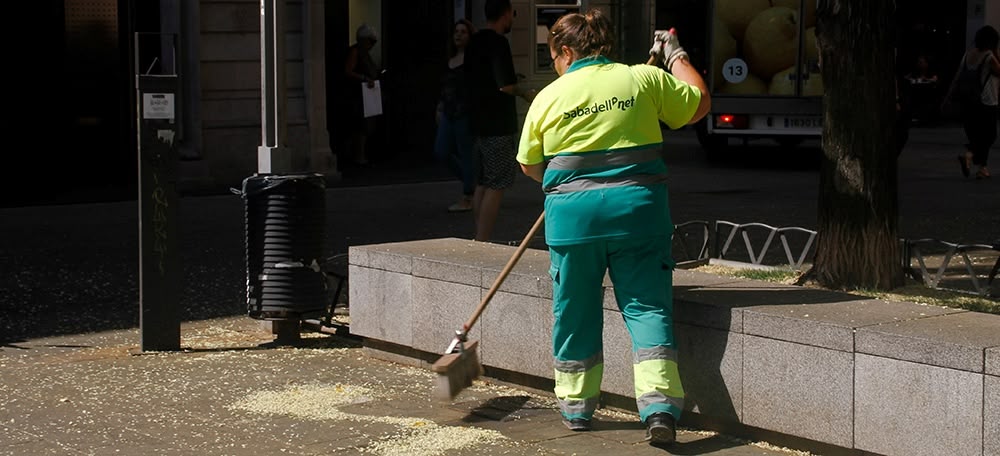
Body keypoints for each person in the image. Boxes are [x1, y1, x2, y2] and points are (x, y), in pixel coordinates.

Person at [515, 11, 709, 445]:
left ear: (566, 51)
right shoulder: (641, 78)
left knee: (575, 311)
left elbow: (530, 165)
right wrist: (675, 56)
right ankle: (659, 409)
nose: (555, 65)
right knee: (647, 308)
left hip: (572, 221)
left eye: (554, 56)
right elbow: (699, 103)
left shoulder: (548, 96)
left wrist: (572, 179)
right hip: (638, 215)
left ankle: (576, 408)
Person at [464, 0, 536, 241]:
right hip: (498, 123)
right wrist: (525, 93)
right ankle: (482, 238)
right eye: (512, 14)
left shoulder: (473, 41)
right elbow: (505, 85)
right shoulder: (498, 43)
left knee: (483, 182)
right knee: (497, 184)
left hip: (478, 121)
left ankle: (479, 234)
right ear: (506, 14)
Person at [434, 19, 478, 213]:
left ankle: (468, 195)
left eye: (463, 32)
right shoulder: (449, 60)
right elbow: (444, 87)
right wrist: (439, 107)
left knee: (466, 154)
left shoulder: (472, 60)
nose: (458, 35)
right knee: (441, 151)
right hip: (448, 112)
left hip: (464, 113)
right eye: (456, 32)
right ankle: (473, 182)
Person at [946, 25, 999, 180]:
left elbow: (957, 77)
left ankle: (983, 169)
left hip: (969, 103)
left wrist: (948, 97)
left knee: (978, 136)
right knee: (990, 135)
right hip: (987, 101)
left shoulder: (968, 54)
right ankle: (969, 155)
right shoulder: (989, 56)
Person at [343, 24, 381, 167]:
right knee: (359, 127)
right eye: (370, 41)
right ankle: (358, 155)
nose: (371, 45)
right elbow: (348, 71)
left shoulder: (364, 52)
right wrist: (365, 79)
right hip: (357, 95)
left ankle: (360, 154)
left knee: (365, 126)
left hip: (366, 94)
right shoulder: (356, 52)